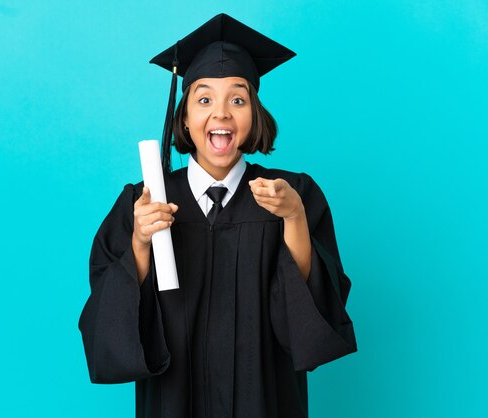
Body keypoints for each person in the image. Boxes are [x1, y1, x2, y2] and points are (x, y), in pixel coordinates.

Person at [78, 13, 357, 418]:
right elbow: (108, 314)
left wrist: (294, 219)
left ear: (255, 114)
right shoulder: (144, 201)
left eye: (238, 99)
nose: (221, 113)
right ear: (185, 117)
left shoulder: (294, 195)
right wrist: (140, 243)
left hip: (265, 400)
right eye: (204, 99)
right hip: (173, 399)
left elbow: (312, 314)